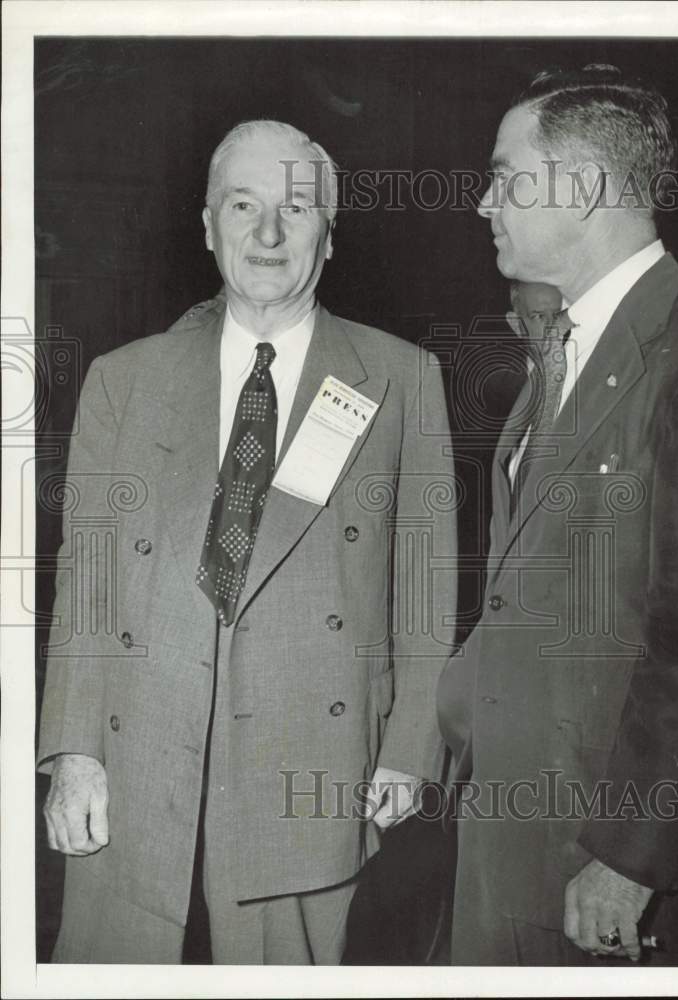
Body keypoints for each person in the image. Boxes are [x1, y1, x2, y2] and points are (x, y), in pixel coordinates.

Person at [38, 119, 457, 965]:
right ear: (207, 226)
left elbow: (425, 585)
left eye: (296, 210)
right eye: (244, 205)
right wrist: (73, 754)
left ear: (329, 236)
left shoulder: (402, 379)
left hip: (309, 773)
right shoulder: (124, 379)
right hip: (136, 764)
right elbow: (84, 583)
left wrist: (412, 747)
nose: (268, 234)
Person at [437, 65, 678, 966]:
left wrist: (630, 858)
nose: (483, 202)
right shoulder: (567, 349)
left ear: (581, 188)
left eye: (505, 175)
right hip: (505, 837)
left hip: (599, 872)